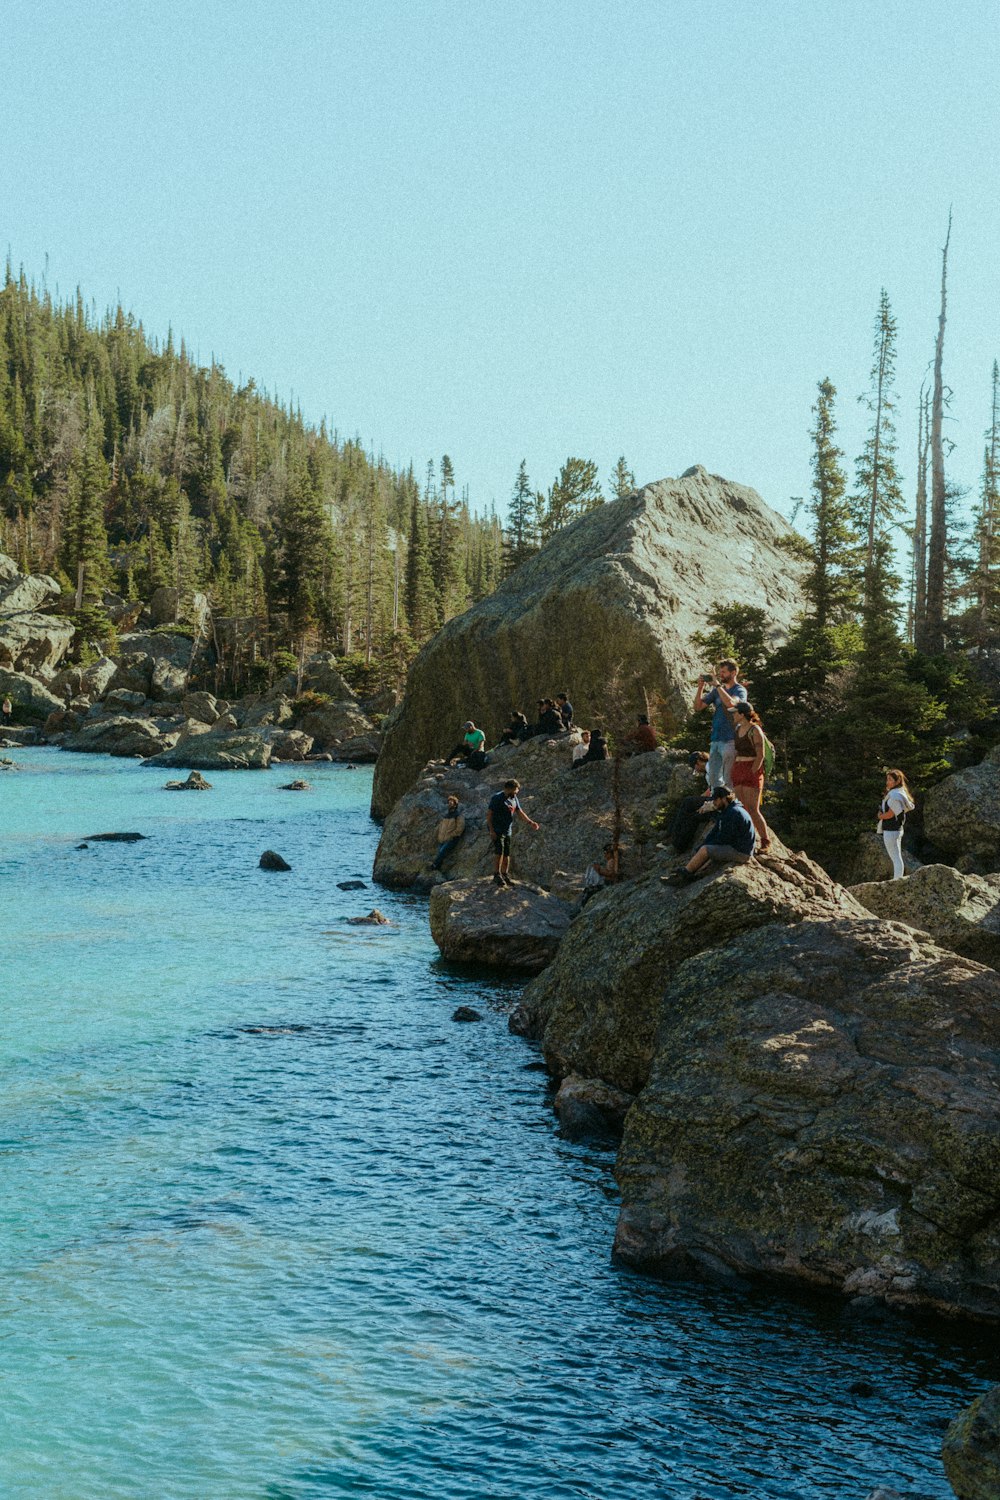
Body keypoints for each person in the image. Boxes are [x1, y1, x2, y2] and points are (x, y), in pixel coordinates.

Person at [662, 785, 755, 884]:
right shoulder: (727, 810)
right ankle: (690, 872)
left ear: (723, 799)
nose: (714, 803)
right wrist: (703, 845)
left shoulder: (734, 813)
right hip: (737, 847)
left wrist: (705, 848)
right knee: (704, 848)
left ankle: (684, 876)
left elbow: (725, 838)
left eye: (715, 800)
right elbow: (714, 832)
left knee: (706, 850)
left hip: (741, 852)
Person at [693, 660, 748, 789]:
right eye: (720, 672)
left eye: (723, 672)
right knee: (713, 778)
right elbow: (698, 707)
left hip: (730, 739)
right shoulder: (717, 691)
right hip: (715, 740)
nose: (720, 675)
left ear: (733, 673)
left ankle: (730, 805)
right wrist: (700, 688)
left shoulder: (739, 690)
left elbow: (732, 704)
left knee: (728, 779)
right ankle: (717, 803)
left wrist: (717, 686)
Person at [731, 701, 771, 852]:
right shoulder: (738, 729)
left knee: (753, 809)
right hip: (738, 769)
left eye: (735, 712)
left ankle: (765, 841)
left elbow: (760, 754)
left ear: (742, 714)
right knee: (742, 808)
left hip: (751, 769)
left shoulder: (755, 730)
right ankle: (747, 840)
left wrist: (753, 772)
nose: (733, 715)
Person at [486, 778, 540, 886]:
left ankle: (505, 874)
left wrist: (531, 822)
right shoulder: (497, 798)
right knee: (499, 852)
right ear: (508, 789)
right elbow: (489, 815)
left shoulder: (514, 798)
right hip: (497, 829)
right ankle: (497, 875)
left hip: (507, 830)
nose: (516, 792)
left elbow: (520, 812)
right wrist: (491, 831)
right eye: (515, 790)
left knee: (506, 853)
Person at [666, 752, 713, 851]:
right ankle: (678, 842)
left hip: (716, 800)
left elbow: (715, 788)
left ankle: (675, 839)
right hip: (715, 799)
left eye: (694, 766)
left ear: (699, 762)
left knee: (687, 803)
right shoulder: (710, 769)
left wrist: (697, 801)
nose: (696, 769)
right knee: (692, 815)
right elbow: (710, 789)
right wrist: (699, 799)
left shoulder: (710, 767)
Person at [877, 768, 914, 880]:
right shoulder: (899, 793)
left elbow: (891, 814)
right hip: (896, 829)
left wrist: (880, 816)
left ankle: (897, 880)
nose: (887, 782)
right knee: (896, 857)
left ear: (897, 781)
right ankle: (898, 879)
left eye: (890, 779)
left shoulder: (895, 796)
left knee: (896, 857)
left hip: (891, 830)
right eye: (887, 779)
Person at [431, 795, 466, 870]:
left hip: (451, 839)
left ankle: (434, 865)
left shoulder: (458, 815)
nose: (449, 804)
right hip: (442, 839)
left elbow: (460, 828)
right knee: (440, 853)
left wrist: (452, 835)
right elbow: (440, 827)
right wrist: (438, 836)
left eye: (451, 803)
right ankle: (437, 868)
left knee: (441, 852)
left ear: (455, 804)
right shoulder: (446, 816)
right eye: (448, 803)